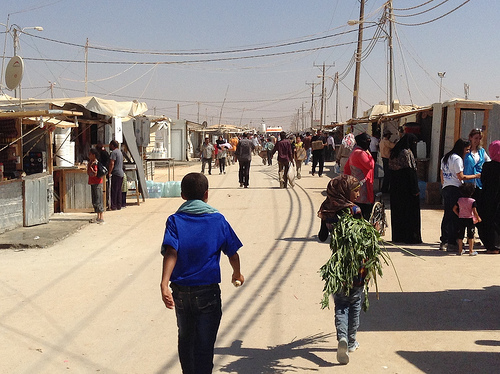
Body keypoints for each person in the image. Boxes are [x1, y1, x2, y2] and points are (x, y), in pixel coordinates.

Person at [160, 172, 244, 374]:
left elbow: (171, 252)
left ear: (182, 195)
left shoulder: (174, 220)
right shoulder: (217, 220)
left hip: (181, 292)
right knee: (204, 346)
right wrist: (237, 273)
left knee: (186, 339)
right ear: (207, 194)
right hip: (207, 293)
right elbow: (232, 253)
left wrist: (164, 284)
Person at [317, 175, 364, 364]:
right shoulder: (354, 210)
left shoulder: (327, 209)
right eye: (356, 190)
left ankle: (342, 338)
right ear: (345, 190)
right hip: (356, 264)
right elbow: (362, 237)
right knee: (354, 302)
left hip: (337, 265)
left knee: (341, 303)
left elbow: (321, 237)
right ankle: (351, 341)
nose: (359, 193)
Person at [440, 139, 478, 251]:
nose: (467, 152)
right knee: (455, 216)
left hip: (446, 188)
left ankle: (444, 240)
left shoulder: (445, 158)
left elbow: (442, 174)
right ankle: (452, 242)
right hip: (455, 189)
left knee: (447, 214)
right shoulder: (457, 159)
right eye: (466, 149)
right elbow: (461, 177)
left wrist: (444, 185)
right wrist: (476, 176)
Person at [389, 133, 422, 244]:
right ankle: (410, 237)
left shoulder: (395, 152)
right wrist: (415, 189)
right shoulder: (406, 153)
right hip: (407, 189)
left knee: (398, 212)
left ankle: (399, 236)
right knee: (409, 213)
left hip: (396, 188)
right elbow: (410, 172)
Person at [344, 133, 375, 220]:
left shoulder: (354, 152)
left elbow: (346, 168)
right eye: (367, 141)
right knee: (364, 208)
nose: (368, 143)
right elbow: (370, 165)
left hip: (355, 182)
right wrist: (369, 154)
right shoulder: (361, 153)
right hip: (363, 184)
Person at [478, 140, 500, 254]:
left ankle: (492, 246)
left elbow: (483, 180)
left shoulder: (487, 166)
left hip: (488, 197)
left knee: (488, 220)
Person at [453, 183, 481, 256]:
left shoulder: (459, 200)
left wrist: (459, 214)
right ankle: (471, 251)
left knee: (460, 235)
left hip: (461, 218)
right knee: (471, 235)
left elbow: (454, 209)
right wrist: (478, 218)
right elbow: (474, 211)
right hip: (470, 219)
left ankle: (460, 250)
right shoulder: (472, 201)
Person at [464, 128, 490, 201]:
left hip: (478, 183)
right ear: (470, 138)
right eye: (475, 138)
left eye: (479, 138)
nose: (477, 141)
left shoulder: (481, 151)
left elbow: (488, 162)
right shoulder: (465, 151)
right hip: (467, 183)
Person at [87, 148, 104, 223]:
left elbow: (95, 173)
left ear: (93, 155)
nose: (89, 156)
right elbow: (88, 173)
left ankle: (101, 216)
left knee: (98, 199)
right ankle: (98, 216)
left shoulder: (96, 163)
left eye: (90, 154)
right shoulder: (90, 162)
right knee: (94, 200)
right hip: (92, 182)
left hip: (97, 182)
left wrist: (91, 168)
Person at [108, 140, 124, 211]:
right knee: (119, 190)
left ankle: (113, 206)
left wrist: (109, 172)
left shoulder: (113, 153)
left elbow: (112, 163)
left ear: (112, 145)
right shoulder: (120, 152)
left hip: (116, 173)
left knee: (114, 190)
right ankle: (119, 205)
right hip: (121, 173)